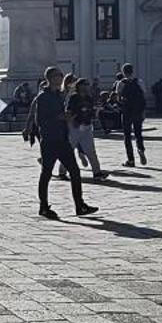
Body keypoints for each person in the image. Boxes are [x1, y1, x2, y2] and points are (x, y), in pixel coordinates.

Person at [24, 66, 97, 220]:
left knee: (75, 172)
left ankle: (80, 205)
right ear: (50, 78)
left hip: (62, 139)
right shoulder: (43, 97)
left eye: (61, 75)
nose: (61, 78)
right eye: (58, 75)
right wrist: (61, 117)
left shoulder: (58, 96)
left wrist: (67, 117)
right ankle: (43, 207)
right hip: (50, 141)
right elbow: (41, 120)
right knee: (46, 174)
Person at [68, 75, 106, 180]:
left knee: (91, 150)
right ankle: (62, 171)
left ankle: (97, 172)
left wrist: (97, 111)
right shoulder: (74, 97)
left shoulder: (89, 98)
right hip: (75, 126)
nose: (86, 86)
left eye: (87, 84)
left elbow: (91, 112)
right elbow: (70, 111)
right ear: (79, 86)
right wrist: (72, 121)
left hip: (87, 125)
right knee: (69, 150)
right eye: (84, 84)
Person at [117, 63, 147, 167]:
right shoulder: (139, 81)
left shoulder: (121, 83)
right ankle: (140, 149)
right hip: (138, 111)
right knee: (138, 133)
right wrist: (143, 111)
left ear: (123, 72)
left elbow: (118, 98)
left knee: (127, 136)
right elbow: (143, 96)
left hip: (126, 112)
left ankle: (131, 160)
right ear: (132, 71)